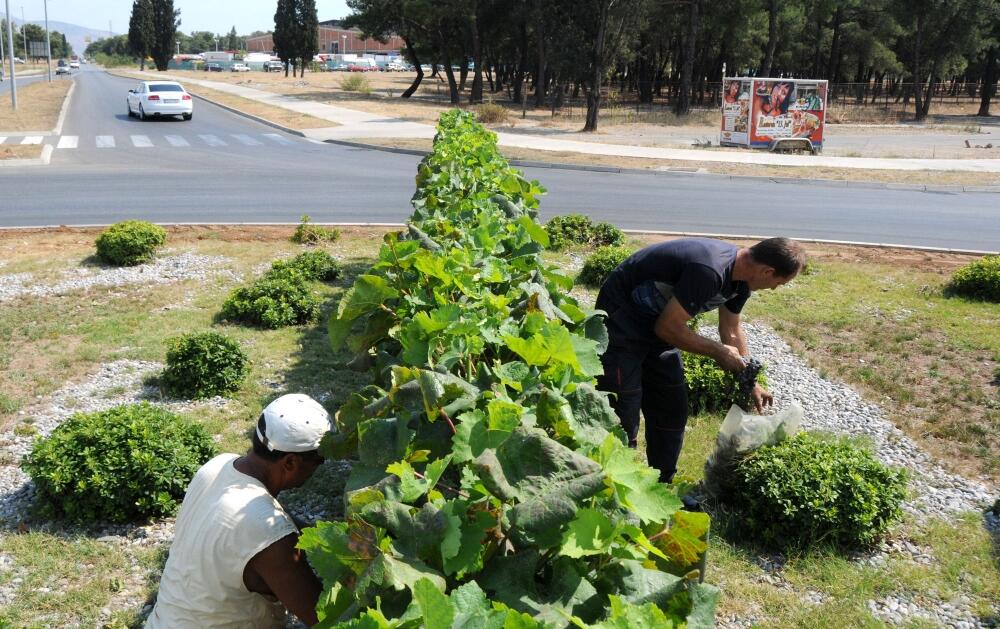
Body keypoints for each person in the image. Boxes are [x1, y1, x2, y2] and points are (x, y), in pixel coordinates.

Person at [595, 237, 806, 483]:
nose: (774, 289)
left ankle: (661, 486)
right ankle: (616, 488)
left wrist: (750, 381)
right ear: (767, 271)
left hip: (655, 325)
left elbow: (731, 330)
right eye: (778, 283)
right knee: (623, 412)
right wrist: (718, 352)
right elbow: (668, 328)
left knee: (672, 409)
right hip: (621, 322)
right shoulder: (710, 270)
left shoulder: (741, 282)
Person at [145, 393, 333, 629]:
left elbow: (268, 515)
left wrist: (330, 539)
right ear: (290, 463)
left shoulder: (218, 465)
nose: (318, 468)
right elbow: (323, 618)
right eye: (319, 461)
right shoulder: (272, 536)